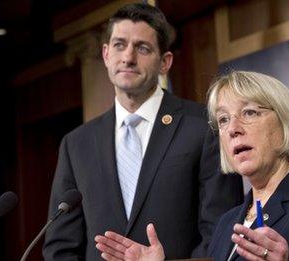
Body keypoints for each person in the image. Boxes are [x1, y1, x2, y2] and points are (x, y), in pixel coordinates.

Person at [94, 71, 289, 260]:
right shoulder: (228, 223)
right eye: (223, 120)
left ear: (285, 122)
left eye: (249, 112)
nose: (233, 129)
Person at [43, 4, 243, 260]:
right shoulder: (76, 144)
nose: (127, 57)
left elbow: (220, 234)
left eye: (142, 48)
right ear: (105, 54)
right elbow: (60, 248)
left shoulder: (204, 126)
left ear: (165, 62)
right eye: (119, 45)